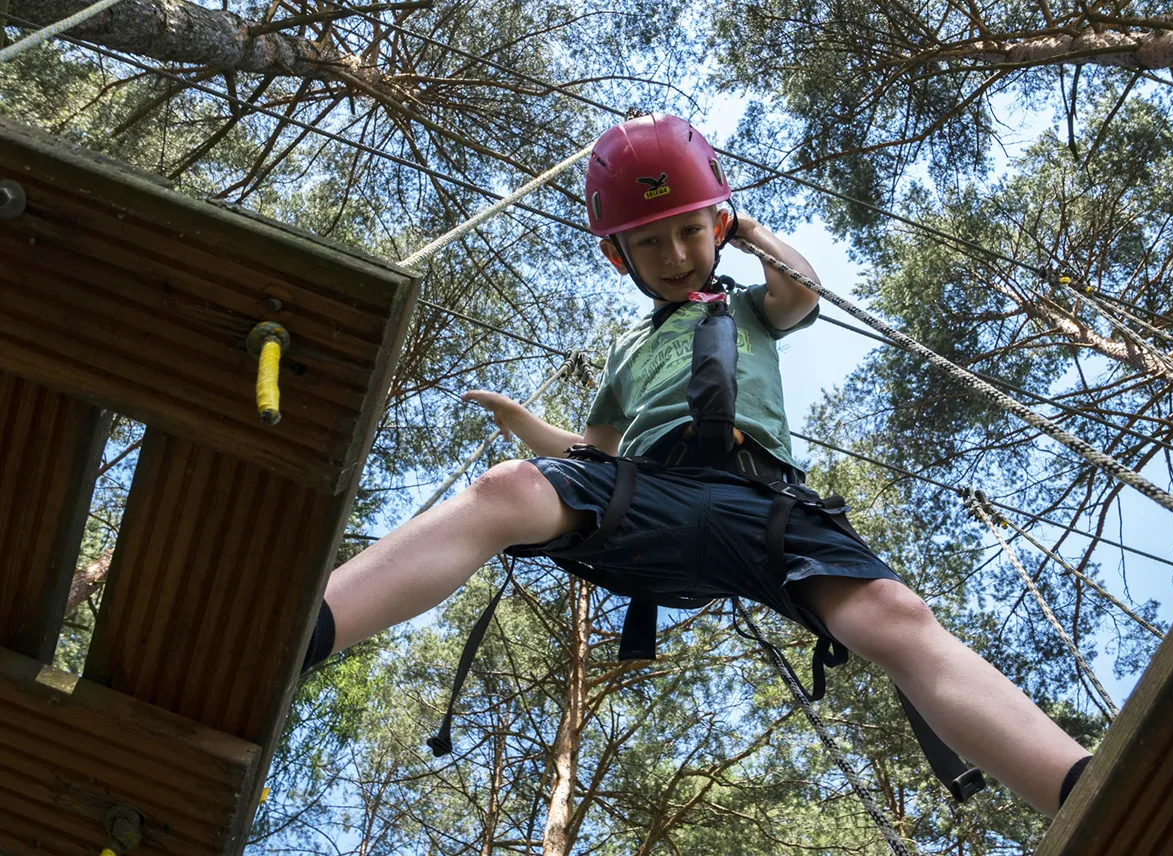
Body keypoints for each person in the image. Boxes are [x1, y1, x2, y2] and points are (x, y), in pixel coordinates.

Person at [302, 113, 1092, 816]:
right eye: (649, 241)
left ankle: (1078, 787)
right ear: (621, 259)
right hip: (649, 492)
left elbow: (804, 289)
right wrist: (527, 429)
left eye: (689, 232)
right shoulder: (628, 349)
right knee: (506, 490)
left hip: (764, 502)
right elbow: (596, 452)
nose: (676, 255)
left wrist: (738, 224)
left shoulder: (749, 306)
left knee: (894, 617)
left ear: (714, 229)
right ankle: (307, 630)